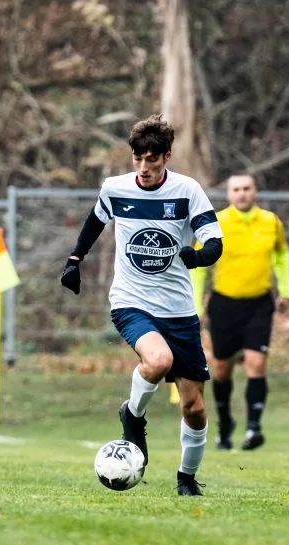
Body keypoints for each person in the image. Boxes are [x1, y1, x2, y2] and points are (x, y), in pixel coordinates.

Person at [59, 114, 223, 497]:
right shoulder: (115, 188)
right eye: (138, 159)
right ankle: (132, 417)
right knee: (158, 360)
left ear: (167, 156)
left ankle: (186, 478)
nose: (144, 168)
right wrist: (74, 260)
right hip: (131, 302)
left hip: (179, 311)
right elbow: (95, 222)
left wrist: (197, 256)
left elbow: (215, 242)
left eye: (152, 159)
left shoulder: (187, 191)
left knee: (195, 409)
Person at [190, 174, 289, 451]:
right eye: (236, 189)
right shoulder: (217, 223)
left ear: (255, 191)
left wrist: (286, 290)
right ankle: (225, 426)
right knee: (221, 369)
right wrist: (195, 305)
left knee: (256, 364)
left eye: (247, 188)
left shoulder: (271, 222)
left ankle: (253, 428)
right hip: (224, 303)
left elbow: (282, 254)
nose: (242, 194)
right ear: (229, 193)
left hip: (259, 303)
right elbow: (198, 265)